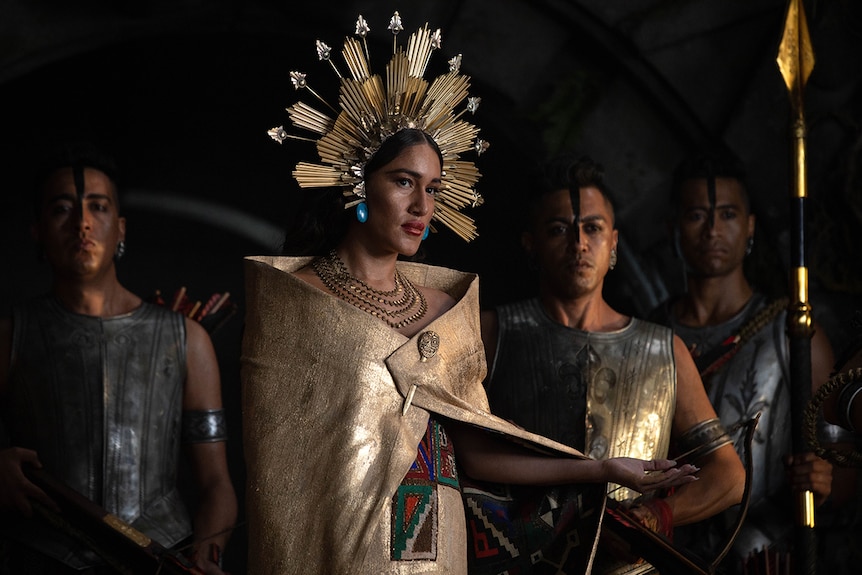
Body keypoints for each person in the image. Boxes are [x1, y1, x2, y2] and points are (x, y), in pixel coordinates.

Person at [242, 16, 699, 575]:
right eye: (403, 182)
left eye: (433, 188)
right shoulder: (294, 301)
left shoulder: (446, 313)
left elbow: (478, 452)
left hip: (439, 544)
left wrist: (603, 470)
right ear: (359, 183)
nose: (423, 206)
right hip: (340, 548)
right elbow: (276, 471)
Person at [480, 153, 746, 574]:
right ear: (530, 243)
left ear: (614, 243)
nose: (579, 243)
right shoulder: (491, 334)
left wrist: (656, 518)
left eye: (592, 228)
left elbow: (729, 475)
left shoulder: (664, 349)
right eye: (558, 229)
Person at [0, 141, 237, 574]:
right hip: (43, 556)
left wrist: (208, 550)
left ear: (122, 228)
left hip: (159, 555)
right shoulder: (11, 333)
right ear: (37, 229)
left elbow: (216, 483)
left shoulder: (186, 338)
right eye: (61, 209)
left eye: (98, 207)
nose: (82, 224)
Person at [648, 151, 848, 574]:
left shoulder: (792, 331)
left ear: (750, 226)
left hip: (763, 556)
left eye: (728, 214)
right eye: (697, 215)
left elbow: (842, 456)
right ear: (672, 229)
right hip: (661, 550)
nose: (713, 230)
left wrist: (825, 478)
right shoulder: (645, 335)